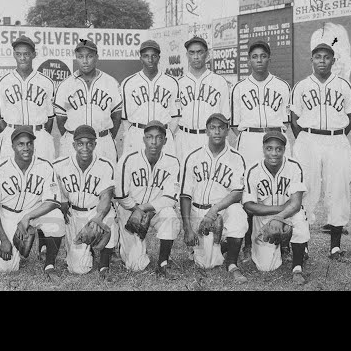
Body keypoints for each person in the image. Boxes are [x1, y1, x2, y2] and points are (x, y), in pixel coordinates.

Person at [290, 42, 351, 260]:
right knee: (305, 188)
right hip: (307, 138)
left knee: (338, 189)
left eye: (326, 57)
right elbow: (294, 118)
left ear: (333, 61)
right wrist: (304, 137)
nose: (322, 61)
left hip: (335, 139)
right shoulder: (301, 86)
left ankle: (335, 247)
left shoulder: (344, 85)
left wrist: (336, 135)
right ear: (312, 60)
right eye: (317, 57)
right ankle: (304, 243)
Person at [230, 39, 290, 261]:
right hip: (249, 138)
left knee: (280, 187)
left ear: (269, 58)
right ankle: (247, 244)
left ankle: (284, 241)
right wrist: (251, 139)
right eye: (254, 56)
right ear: (248, 60)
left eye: (263, 56)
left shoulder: (282, 86)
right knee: (249, 189)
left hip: (275, 137)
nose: (259, 60)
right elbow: (235, 124)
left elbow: (286, 120)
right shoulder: (239, 88)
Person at [0, 126, 65, 274]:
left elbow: (53, 201)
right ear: (13, 147)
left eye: (29, 143)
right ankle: (7, 241)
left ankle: (49, 265)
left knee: (57, 218)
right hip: (7, 214)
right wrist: (4, 240)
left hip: (33, 211)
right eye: (21, 144)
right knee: (7, 268)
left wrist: (27, 217)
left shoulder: (45, 166)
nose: (26, 148)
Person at [180, 113, 248, 283]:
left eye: (221, 128)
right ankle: (219, 246)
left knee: (238, 212)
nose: (217, 131)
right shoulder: (193, 156)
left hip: (221, 210)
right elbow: (185, 195)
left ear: (227, 131)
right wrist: (188, 228)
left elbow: (238, 192)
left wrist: (214, 210)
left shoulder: (236, 158)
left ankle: (232, 264)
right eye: (213, 128)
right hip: (198, 211)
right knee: (207, 264)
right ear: (207, 131)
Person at [242, 131, 310, 285]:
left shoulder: (294, 166)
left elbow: (296, 204)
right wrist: (278, 213)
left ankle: (297, 268)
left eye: (278, 149)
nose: (274, 153)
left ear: (284, 150)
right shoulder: (253, 170)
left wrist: (280, 218)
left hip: (290, 213)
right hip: (264, 216)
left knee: (300, 219)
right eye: (269, 148)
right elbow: (249, 206)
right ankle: (281, 245)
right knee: (266, 267)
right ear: (263, 149)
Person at [115, 120, 181, 276]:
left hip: (154, 209)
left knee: (170, 216)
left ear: (165, 140)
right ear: (143, 139)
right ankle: (124, 245)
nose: (154, 142)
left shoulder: (172, 162)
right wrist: (135, 210)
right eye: (150, 137)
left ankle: (163, 263)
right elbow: (120, 195)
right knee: (135, 266)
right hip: (129, 209)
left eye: (159, 137)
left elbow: (171, 198)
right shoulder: (128, 159)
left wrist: (144, 209)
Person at [52, 125, 118, 279]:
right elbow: (54, 188)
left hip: (95, 210)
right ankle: (86, 250)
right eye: (80, 143)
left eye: (89, 143)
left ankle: (104, 265)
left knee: (110, 217)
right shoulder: (59, 164)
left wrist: (98, 218)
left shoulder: (105, 164)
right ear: (74, 145)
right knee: (78, 269)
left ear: (95, 144)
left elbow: (106, 196)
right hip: (73, 213)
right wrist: (62, 201)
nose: (85, 148)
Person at [54, 38, 122, 163]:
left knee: (106, 180)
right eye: (80, 56)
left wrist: (105, 136)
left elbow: (116, 116)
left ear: (97, 57)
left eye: (89, 56)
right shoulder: (66, 85)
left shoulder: (110, 82)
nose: (85, 61)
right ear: (76, 58)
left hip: (102, 141)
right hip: (74, 142)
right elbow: (61, 119)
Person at [0, 35, 56, 161]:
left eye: (26, 54)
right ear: (14, 55)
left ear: (34, 54)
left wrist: (41, 134)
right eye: (18, 54)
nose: (22, 58)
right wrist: (8, 135)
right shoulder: (3, 81)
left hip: (38, 136)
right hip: (12, 135)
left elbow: (50, 119)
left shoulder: (46, 82)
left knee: (42, 175)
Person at [176, 36, 231, 164]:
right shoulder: (179, 83)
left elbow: (225, 117)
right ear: (187, 55)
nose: (196, 57)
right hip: (184, 138)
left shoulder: (219, 82)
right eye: (192, 53)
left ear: (207, 54)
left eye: (200, 52)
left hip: (209, 138)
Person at [120, 40, 180, 156]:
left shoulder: (172, 82)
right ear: (140, 58)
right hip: (138, 134)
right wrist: (132, 135)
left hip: (162, 134)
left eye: (154, 56)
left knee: (164, 171)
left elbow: (175, 117)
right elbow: (125, 119)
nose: (150, 60)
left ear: (159, 57)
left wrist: (166, 133)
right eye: (146, 56)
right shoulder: (128, 82)